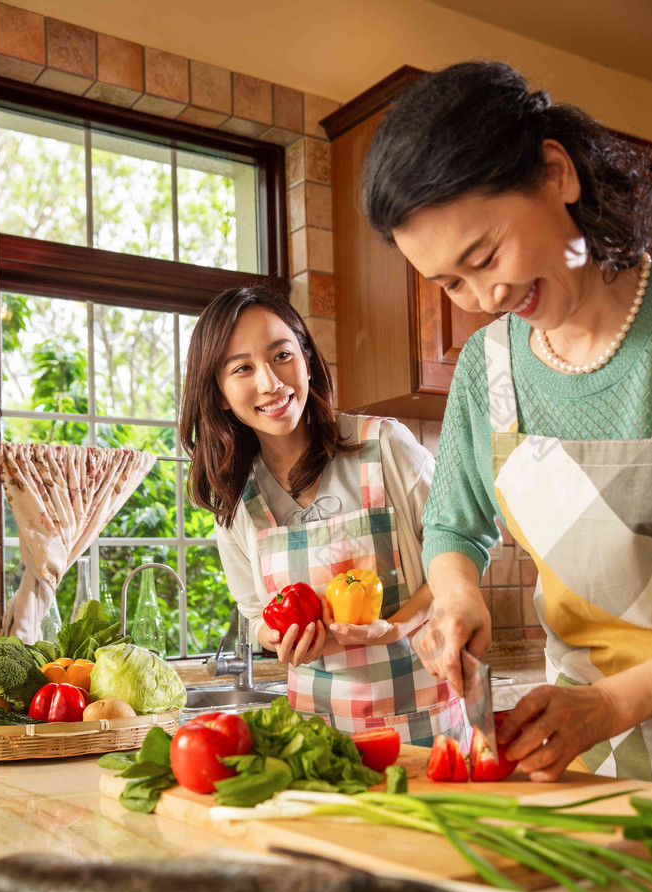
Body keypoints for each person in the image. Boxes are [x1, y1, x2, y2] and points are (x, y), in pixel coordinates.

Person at [363, 60, 652, 782]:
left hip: (599, 720)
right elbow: (452, 525)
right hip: (587, 757)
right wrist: (461, 596)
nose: (484, 296)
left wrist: (607, 704)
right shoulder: (487, 366)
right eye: (451, 283)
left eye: (485, 255)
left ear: (556, 173)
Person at [180, 285, 455, 744]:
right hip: (318, 740)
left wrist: (397, 627)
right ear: (221, 394)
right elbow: (255, 616)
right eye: (243, 368)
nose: (270, 382)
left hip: (426, 725)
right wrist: (278, 637)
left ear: (306, 357)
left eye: (282, 354)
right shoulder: (236, 500)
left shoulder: (385, 445)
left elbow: (460, 554)